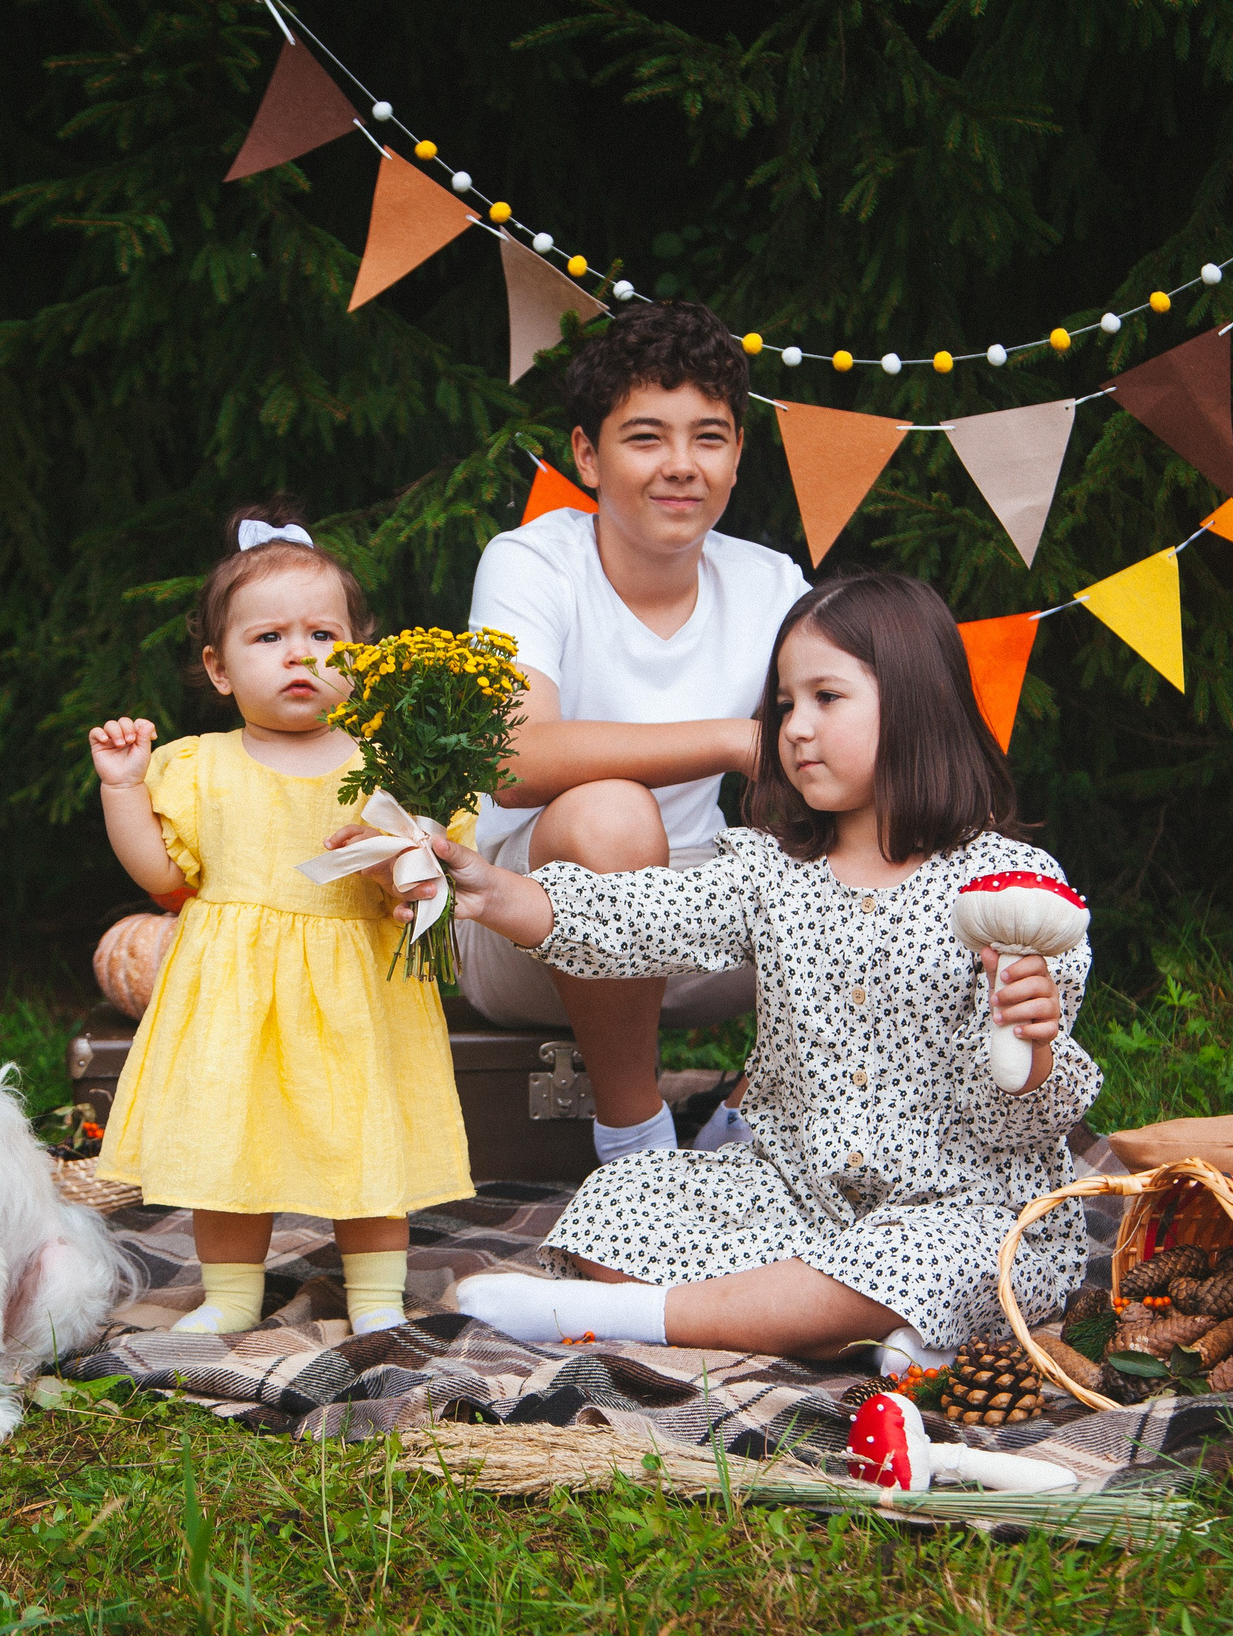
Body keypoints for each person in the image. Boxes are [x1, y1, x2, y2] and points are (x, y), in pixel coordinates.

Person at [354, 573, 1098, 1364]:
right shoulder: (772, 871)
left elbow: (1022, 1123)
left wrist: (1033, 1045)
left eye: (827, 698)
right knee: (622, 1199)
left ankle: (632, 1315)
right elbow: (635, 919)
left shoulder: (1012, 890)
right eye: (784, 704)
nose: (794, 728)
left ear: (918, 703)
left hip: (958, 1208)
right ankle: (841, 1320)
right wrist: (492, 891)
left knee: (945, 1256)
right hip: (793, 1197)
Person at [86, 504, 471, 1336]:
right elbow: (160, 873)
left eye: (324, 636)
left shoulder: (387, 765)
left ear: (362, 656)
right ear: (219, 668)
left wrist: (403, 863)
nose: (300, 654)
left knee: (369, 1137)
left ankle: (374, 1295)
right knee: (230, 1139)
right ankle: (231, 1292)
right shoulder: (201, 764)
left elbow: (428, 875)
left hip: (355, 997)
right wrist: (123, 787)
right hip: (237, 997)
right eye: (267, 638)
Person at [460, 302, 809, 1163]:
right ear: (587, 455)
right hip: (531, 921)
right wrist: (731, 738)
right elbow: (512, 759)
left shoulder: (770, 585)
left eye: (709, 438)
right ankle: (634, 1141)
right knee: (612, 814)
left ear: (737, 455)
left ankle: (754, 1117)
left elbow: (852, 754)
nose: (681, 466)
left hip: (701, 925)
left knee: (884, 851)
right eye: (646, 437)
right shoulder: (532, 562)